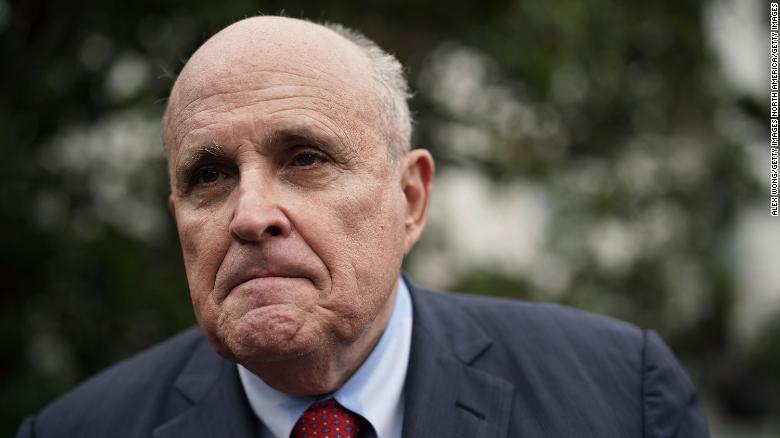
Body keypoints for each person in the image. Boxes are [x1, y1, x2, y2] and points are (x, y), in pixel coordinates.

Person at [16, 16, 709, 438]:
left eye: (306, 159)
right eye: (209, 177)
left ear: (409, 200)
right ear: (179, 220)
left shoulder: (621, 397)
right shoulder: (76, 431)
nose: (251, 214)